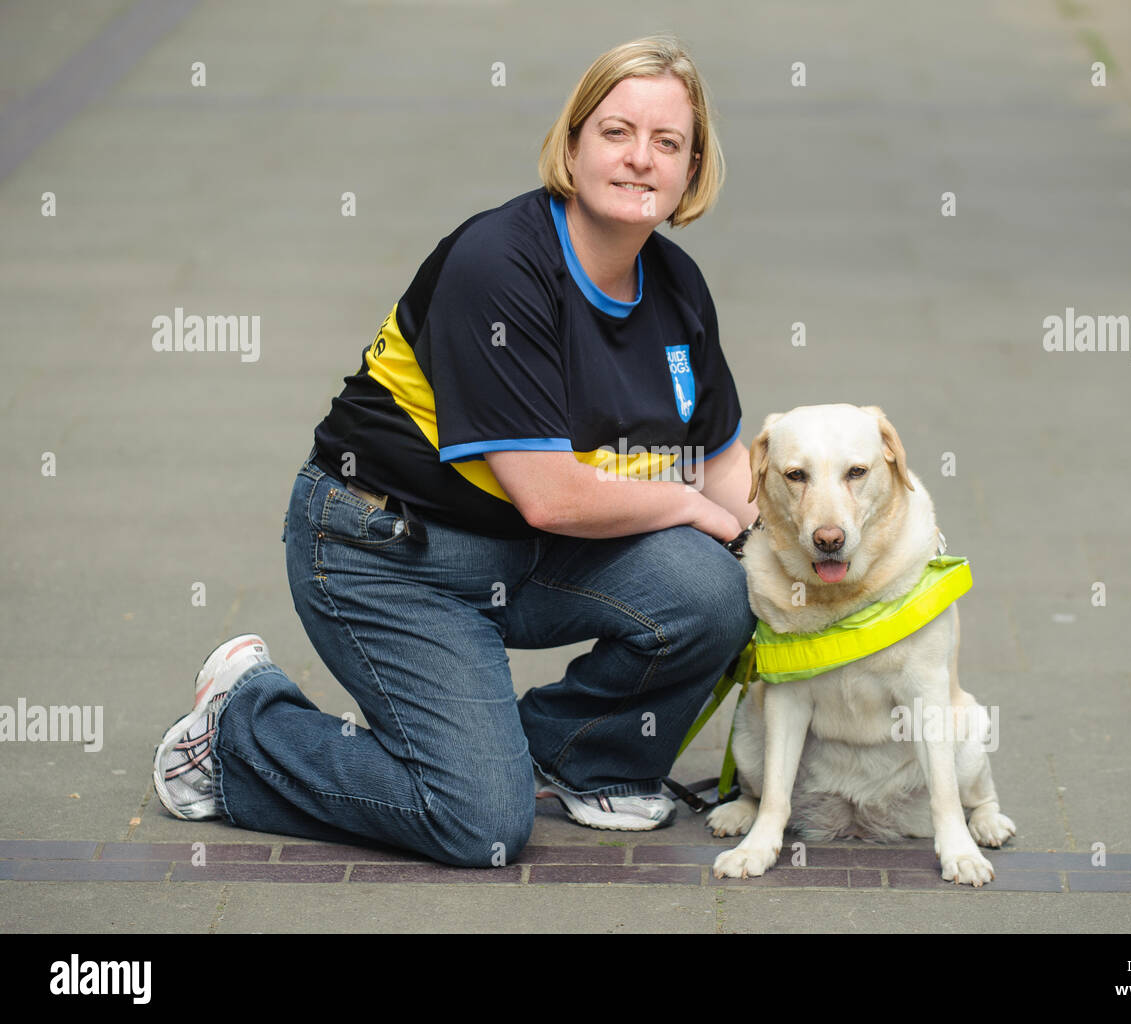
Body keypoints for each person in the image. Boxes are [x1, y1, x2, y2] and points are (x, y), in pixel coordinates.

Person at [152, 34, 758, 868]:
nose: (639, 159)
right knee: (481, 824)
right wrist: (693, 507)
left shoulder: (678, 286)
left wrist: (838, 549)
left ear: (693, 169)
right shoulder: (498, 265)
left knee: (718, 589)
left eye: (668, 143)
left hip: (524, 550)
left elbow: (726, 470)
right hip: (381, 552)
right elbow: (554, 495)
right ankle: (240, 734)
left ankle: (587, 757)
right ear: (573, 143)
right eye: (616, 132)